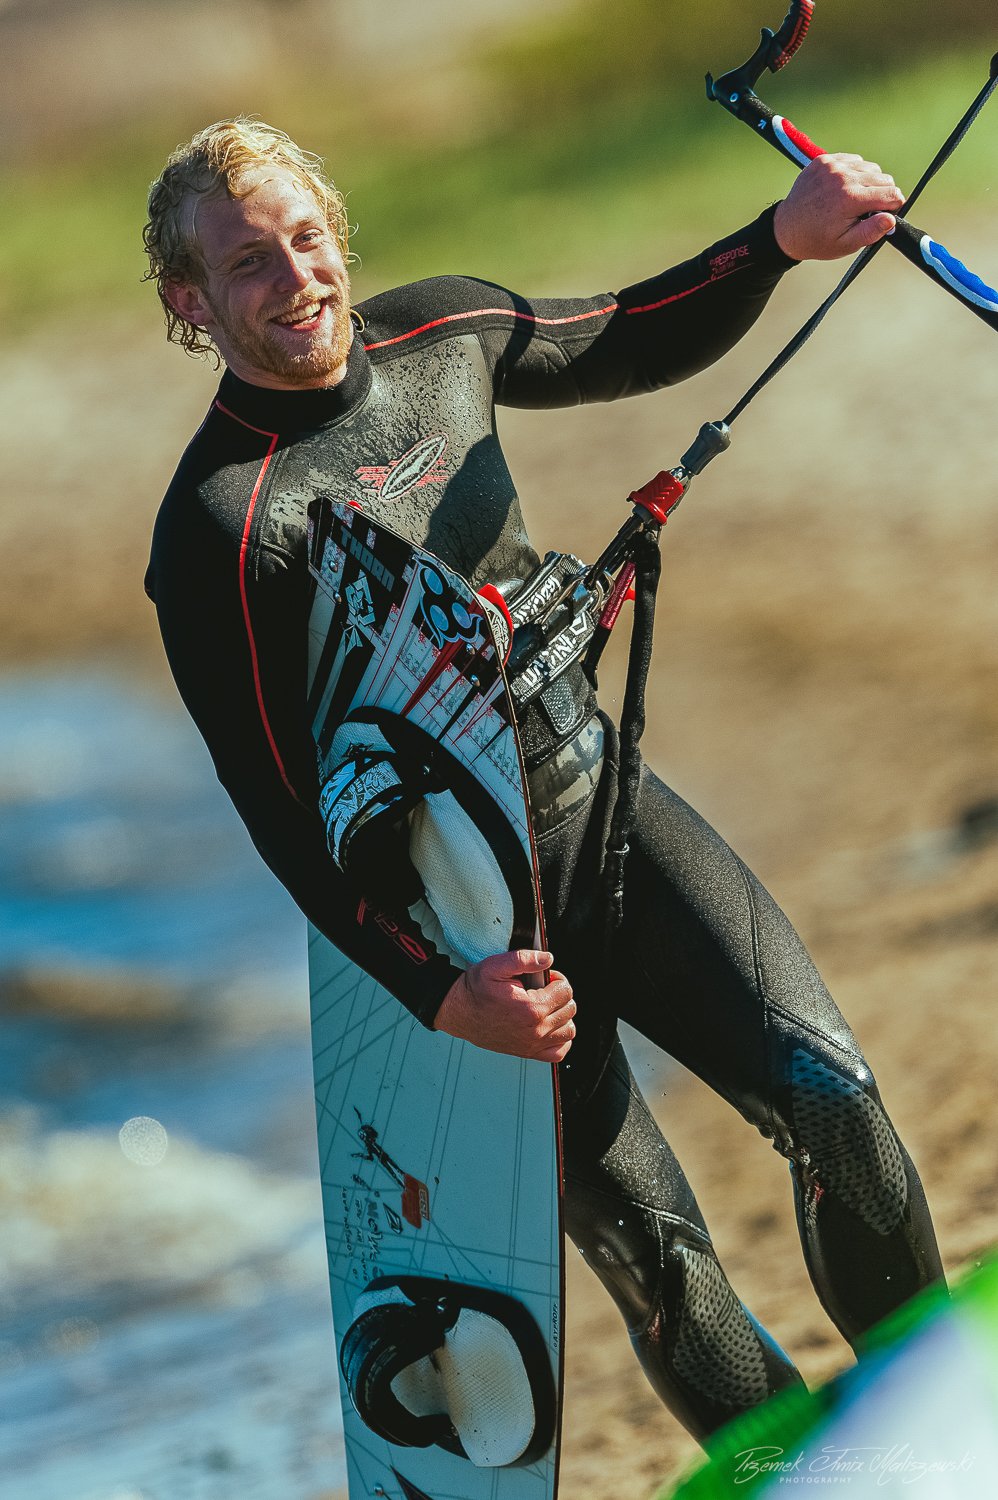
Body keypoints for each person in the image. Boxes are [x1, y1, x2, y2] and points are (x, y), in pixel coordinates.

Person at [144, 117, 944, 1441]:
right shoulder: (226, 528)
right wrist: (438, 991)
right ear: (190, 301)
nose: (295, 283)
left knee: (838, 1111)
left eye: (305, 240)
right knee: (664, 1264)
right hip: (480, 935)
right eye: (245, 267)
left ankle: (936, 1423)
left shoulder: (440, 338)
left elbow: (623, 331)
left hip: (609, 817)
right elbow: (277, 812)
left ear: (338, 234)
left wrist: (775, 242)